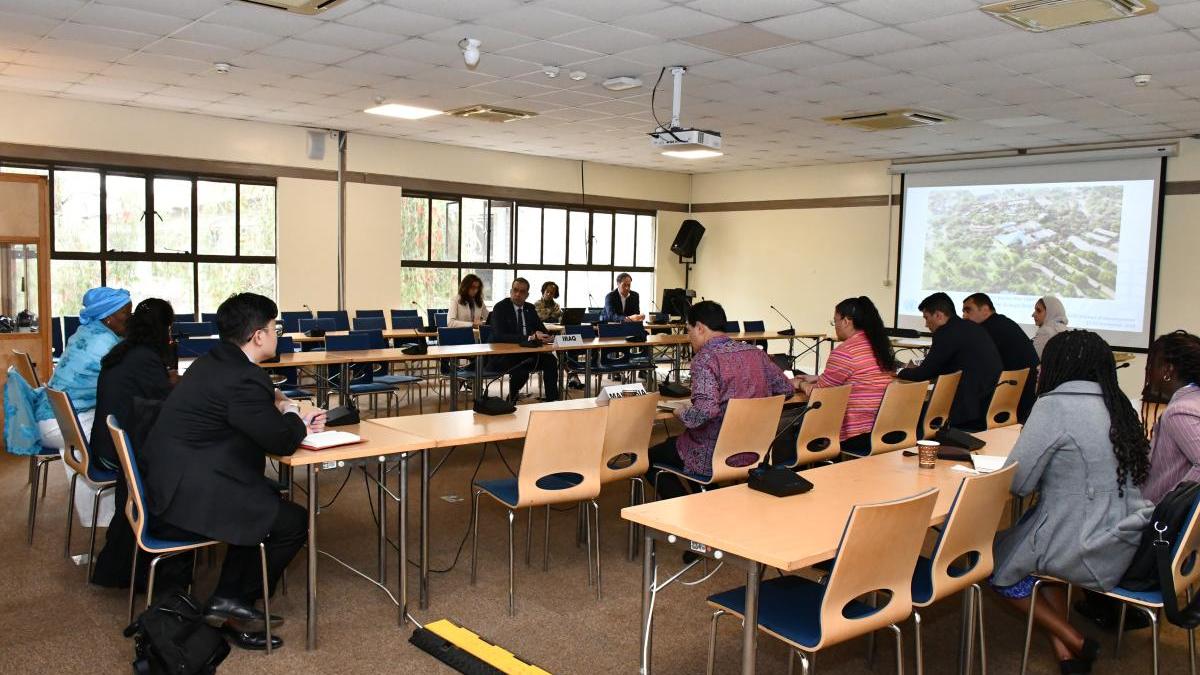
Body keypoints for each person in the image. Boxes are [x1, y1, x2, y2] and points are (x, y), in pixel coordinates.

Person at [142, 293, 326, 651]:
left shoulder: (215, 361)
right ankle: (236, 604)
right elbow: (281, 441)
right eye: (275, 328)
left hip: (174, 477)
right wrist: (296, 417)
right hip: (190, 493)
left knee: (264, 496)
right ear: (258, 336)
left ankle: (229, 597)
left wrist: (281, 401)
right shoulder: (242, 380)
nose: (277, 334)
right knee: (291, 521)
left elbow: (254, 396)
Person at [991, 330, 1152, 674]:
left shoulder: (1054, 405)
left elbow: (1018, 484)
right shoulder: (1118, 402)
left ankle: (1074, 639)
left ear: (1058, 366)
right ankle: (1067, 658)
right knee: (1043, 562)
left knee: (991, 562)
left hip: (1081, 540)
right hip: (1123, 534)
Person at [2, 286, 132, 527]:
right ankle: (111, 515)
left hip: (49, 414)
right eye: (126, 313)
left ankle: (103, 513)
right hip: (60, 423)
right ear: (108, 317)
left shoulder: (85, 333)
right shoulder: (106, 344)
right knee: (124, 437)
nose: (131, 318)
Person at [648, 300, 792, 498]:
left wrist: (680, 411)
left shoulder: (706, 359)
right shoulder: (755, 353)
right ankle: (708, 498)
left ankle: (693, 508)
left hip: (712, 453)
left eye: (688, 330)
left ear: (699, 328)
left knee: (651, 457)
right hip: (756, 448)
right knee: (677, 445)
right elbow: (786, 388)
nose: (688, 337)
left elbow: (705, 412)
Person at [89, 298, 178, 589]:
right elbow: (167, 407)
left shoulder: (126, 352)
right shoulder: (146, 359)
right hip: (122, 453)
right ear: (164, 329)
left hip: (108, 445)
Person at [793, 297, 894, 456]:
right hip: (884, 428)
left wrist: (799, 384)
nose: (836, 327)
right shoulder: (878, 346)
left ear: (847, 321)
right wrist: (819, 377)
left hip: (857, 434)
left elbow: (820, 395)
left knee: (793, 427)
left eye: (835, 321)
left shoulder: (845, 352)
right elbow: (859, 377)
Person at [897, 292, 1002, 431]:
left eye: (927, 318)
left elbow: (923, 374)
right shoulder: (971, 327)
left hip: (967, 410)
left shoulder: (946, 333)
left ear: (939, 315)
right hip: (987, 402)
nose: (926, 324)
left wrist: (899, 371)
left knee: (910, 413)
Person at [1140, 330, 1200, 503]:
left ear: (1167, 370)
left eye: (1152, 365)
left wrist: (1172, 504)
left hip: (1166, 522)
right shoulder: (1194, 398)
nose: (1149, 372)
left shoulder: (1179, 412)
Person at [963, 292, 1039, 422]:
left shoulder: (987, 330)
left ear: (985, 310)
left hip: (1008, 400)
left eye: (968, 310)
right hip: (1022, 398)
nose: (964, 316)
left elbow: (979, 366)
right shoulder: (1002, 323)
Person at [488, 278, 560, 404]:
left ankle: (552, 401)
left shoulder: (530, 308)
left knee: (551, 361)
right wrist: (529, 337)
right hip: (505, 355)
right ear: (510, 291)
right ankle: (512, 398)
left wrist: (545, 336)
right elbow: (499, 336)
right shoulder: (500, 308)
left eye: (522, 292)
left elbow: (541, 329)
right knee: (522, 370)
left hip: (527, 354)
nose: (517, 294)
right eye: (515, 290)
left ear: (527, 295)